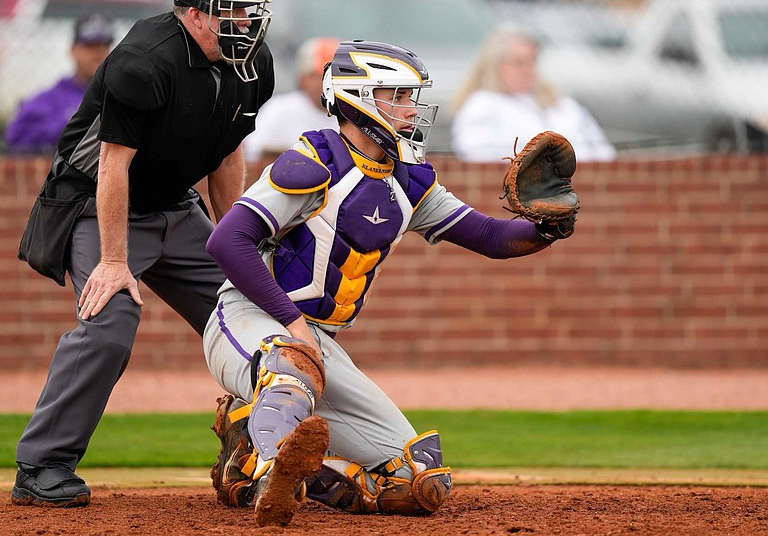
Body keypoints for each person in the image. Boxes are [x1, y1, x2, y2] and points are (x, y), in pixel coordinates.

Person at [202, 40, 576, 527]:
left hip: (316, 341)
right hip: (249, 318)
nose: (410, 109)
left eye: (410, 96)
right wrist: (293, 323)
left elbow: (490, 236)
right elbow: (227, 241)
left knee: (417, 482)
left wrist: (546, 229)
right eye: (396, 96)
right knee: (293, 366)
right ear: (357, 98)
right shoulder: (313, 160)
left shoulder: (409, 180)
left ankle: (248, 447)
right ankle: (271, 475)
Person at [11, 0, 275, 508]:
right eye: (233, 10)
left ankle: (263, 445)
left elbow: (227, 155)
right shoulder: (144, 60)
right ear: (194, 14)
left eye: (251, 10)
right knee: (110, 321)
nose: (247, 22)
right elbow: (113, 166)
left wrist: (238, 250)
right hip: (96, 203)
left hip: (175, 207)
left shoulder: (251, 62)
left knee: (254, 315)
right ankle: (41, 466)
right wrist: (113, 262)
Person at [451, 27, 617, 162]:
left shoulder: (563, 105)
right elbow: (477, 158)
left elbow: (604, 152)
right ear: (495, 66)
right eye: (518, 62)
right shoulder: (482, 106)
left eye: (531, 61)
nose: (526, 70)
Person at [4, 14, 115, 155]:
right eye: (90, 46)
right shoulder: (49, 99)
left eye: (104, 46)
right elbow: (14, 139)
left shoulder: (119, 95)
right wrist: (69, 125)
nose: (98, 53)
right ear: (73, 50)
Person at [244, 36, 341, 161]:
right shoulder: (279, 110)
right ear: (304, 78)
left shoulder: (353, 114)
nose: (331, 83)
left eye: (336, 77)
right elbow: (253, 154)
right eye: (323, 76)